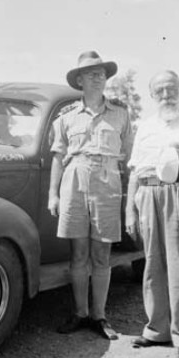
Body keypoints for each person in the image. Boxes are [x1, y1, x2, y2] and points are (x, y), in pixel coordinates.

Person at [48, 51, 133, 339]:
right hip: (74, 181)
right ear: (80, 80)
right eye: (91, 73)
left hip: (107, 182)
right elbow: (58, 158)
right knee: (78, 252)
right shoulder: (66, 117)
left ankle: (99, 316)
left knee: (102, 253)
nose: (98, 77)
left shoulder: (121, 114)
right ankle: (80, 313)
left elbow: (129, 156)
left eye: (101, 73)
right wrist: (53, 195)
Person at [126, 70, 179, 358]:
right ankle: (157, 329)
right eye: (159, 91)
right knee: (153, 264)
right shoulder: (146, 126)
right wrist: (129, 211)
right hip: (147, 195)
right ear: (152, 96)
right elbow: (135, 170)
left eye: (171, 89)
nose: (165, 95)